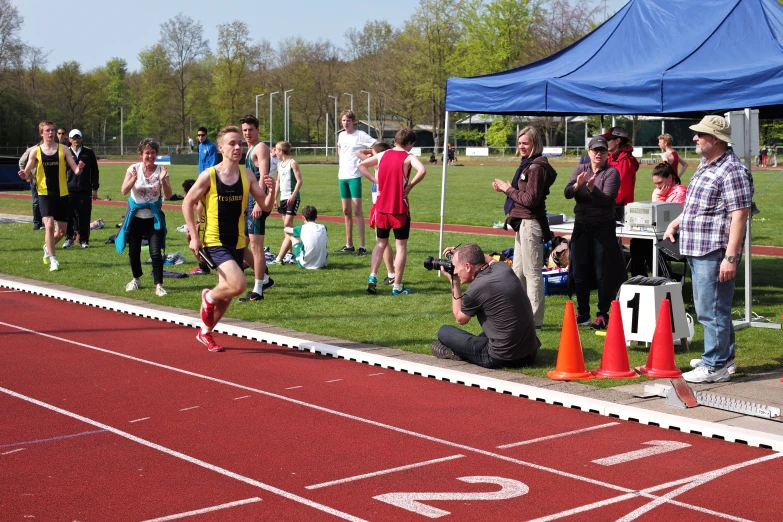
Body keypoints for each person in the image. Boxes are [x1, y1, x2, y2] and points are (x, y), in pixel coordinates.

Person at [663, 115, 753, 384]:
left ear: (715, 139)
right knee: (714, 307)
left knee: (711, 309)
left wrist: (730, 257)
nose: (695, 138)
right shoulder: (707, 163)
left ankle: (715, 365)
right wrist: (677, 222)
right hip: (699, 247)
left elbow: (740, 216)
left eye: (700, 134)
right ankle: (724, 358)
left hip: (713, 250)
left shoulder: (732, 170)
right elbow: (697, 206)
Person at [182, 125, 274, 352]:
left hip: (237, 241)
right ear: (220, 148)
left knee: (228, 295)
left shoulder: (247, 175)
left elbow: (265, 206)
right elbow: (187, 202)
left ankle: (205, 332)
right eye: (232, 144)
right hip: (214, 240)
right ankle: (208, 296)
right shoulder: (210, 175)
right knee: (239, 284)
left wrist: (273, 190)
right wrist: (194, 236)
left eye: (240, 144)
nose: (237, 147)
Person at [431, 243, 540, 368]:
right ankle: (464, 350)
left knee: (444, 332)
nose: (454, 271)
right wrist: (462, 253)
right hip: (530, 352)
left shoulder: (476, 288)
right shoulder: (502, 268)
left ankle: (460, 352)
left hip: (502, 357)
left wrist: (454, 282)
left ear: (467, 266)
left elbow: (460, 318)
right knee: (490, 334)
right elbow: (488, 259)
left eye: (456, 267)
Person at [492, 126, 557, 331]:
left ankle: (535, 321)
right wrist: (507, 191)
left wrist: (507, 188)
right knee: (518, 272)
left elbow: (530, 200)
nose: (521, 146)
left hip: (531, 223)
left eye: (525, 143)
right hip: (523, 223)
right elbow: (523, 197)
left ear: (535, 144)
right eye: (519, 143)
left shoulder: (536, 167)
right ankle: (519, 314)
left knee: (532, 273)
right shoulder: (528, 164)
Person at [564, 136, 627, 330]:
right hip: (582, 226)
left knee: (602, 272)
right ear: (589, 152)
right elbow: (567, 193)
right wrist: (577, 185)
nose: (598, 154)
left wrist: (591, 189)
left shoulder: (611, 173)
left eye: (602, 150)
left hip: (603, 227)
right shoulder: (580, 169)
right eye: (595, 150)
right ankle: (583, 313)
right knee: (579, 270)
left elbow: (608, 200)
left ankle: (602, 313)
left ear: (607, 154)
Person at [358, 128, 426, 295]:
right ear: (409, 143)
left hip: (381, 208)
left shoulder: (383, 155)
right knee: (401, 247)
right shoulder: (408, 157)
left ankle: (372, 275)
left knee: (380, 243)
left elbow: (361, 165)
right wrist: (410, 186)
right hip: (398, 209)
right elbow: (422, 170)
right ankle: (397, 285)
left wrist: (376, 181)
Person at [18, 121, 85, 272]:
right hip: (44, 193)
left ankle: (47, 247)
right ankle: (53, 260)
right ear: (41, 133)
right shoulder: (35, 151)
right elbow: (27, 172)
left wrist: (79, 168)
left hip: (62, 194)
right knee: (48, 226)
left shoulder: (64, 150)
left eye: (52, 130)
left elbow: (75, 171)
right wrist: (24, 175)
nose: (50, 133)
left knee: (61, 231)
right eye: (47, 131)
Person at [117, 138, 172, 296]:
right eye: (147, 153)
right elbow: (123, 191)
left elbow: (168, 195)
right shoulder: (133, 169)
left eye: (153, 153)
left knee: (155, 252)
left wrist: (163, 182)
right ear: (140, 154)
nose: (150, 156)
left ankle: (159, 285)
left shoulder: (162, 170)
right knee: (134, 252)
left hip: (153, 218)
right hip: (135, 218)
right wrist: (133, 179)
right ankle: (136, 279)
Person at [237, 114, 275, 302]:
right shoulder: (249, 148)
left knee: (256, 247)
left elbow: (264, 174)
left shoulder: (260, 148)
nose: (247, 133)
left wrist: (259, 202)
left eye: (250, 130)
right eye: (244, 130)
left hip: (257, 200)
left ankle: (258, 290)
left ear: (257, 130)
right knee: (242, 244)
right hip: (250, 199)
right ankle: (265, 278)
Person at [629, 161, 687, 277]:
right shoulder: (658, 192)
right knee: (636, 242)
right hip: (659, 233)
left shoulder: (680, 192)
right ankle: (639, 278)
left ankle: (667, 278)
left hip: (677, 236)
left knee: (649, 246)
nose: (657, 187)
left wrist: (660, 198)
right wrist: (659, 196)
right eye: (655, 184)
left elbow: (674, 217)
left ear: (670, 178)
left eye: (660, 183)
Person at [335, 109, 376, 255]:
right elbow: (340, 148)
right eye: (344, 120)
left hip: (354, 177)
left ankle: (362, 246)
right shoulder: (340, 135)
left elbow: (377, 146)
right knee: (346, 211)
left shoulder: (361, 135)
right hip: (342, 177)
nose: (346, 123)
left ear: (354, 122)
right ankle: (349, 244)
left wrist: (366, 157)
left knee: (357, 210)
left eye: (348, 120)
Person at [356, 142, 396, 285]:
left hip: (380, 205)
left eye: (372, 154)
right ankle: (392, 271)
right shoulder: (381, 162)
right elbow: (359, 153)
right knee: (384, 242)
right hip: (380, 204)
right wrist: (375, 150)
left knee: (382, 242)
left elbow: (359, 153)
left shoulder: (379, 163)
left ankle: (392, 273)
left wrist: (375, 151)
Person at [63, 129, 99, 249]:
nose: (76, 140)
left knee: (84, 215)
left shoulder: (88, 153)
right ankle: (69, 238)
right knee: (68, 215)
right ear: (69, 139)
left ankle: (84, 240)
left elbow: (94, 171)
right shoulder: (65, 152)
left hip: (85, 189)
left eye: (78, 137)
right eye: (73, 138)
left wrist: (95, 188)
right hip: (69, 189)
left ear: (81, 139)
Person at [270, 140, 303, 265]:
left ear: (281, 151)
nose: (274, 152)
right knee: (287, 227)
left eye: (276, 150)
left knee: (288, 225)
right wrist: (274, 198)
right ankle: (290, 253)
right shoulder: (279, 165)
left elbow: (299, 181)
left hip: (292, 198)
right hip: (283, 198)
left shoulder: (292, 163)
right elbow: (278, 182)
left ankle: (296, 249)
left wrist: (293, 195)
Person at [602, 126, 639, 220]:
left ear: (617, 141)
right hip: (609, 204)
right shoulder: (611, 157)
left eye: (608, 139)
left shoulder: (624, 160)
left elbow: (622, 190)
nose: (605, 142)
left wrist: (606, 203)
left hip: (618, 208)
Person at [182, 179, 211, 275]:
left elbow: (203, 223)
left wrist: (195, 229)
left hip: (212, 231)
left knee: (189, 235)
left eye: (184, 192)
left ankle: (203, 266)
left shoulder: (201, 205)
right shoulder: (202, 200)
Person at [285, 205, 328, 269]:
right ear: (316, 217)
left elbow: (286, 229)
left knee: (290, 235)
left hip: (305, 264)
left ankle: (278, 259)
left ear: (303, 217)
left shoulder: (302, 228)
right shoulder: (323, 227)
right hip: (323, 263)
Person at [19, 143, 43, 230]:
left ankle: (48, 222)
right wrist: (27, 175)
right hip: (35, 180)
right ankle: (37, 223)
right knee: (36, 201)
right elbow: (22, 162)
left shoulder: (53, 148)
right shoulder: (32, 150)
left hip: (48, 180)